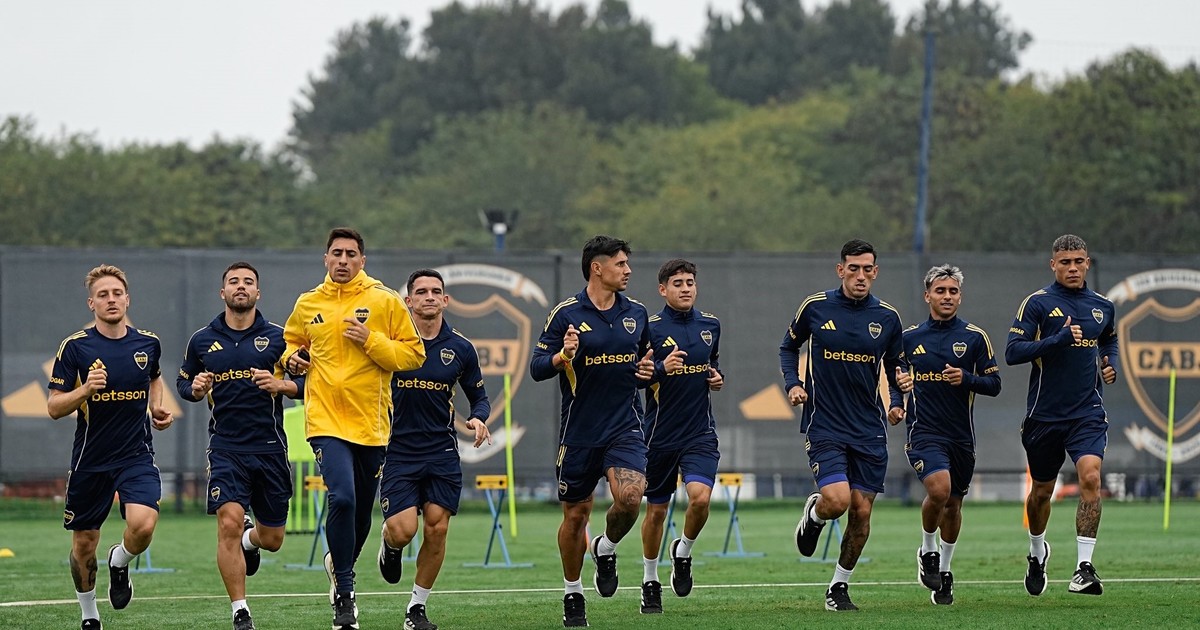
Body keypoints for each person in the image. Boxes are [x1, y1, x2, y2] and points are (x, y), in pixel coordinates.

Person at [283, 228, 426, 630]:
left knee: (362, 511)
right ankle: (345, 595)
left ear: (362, 260)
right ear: (325, 259)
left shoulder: (384, 300)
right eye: (336, 253)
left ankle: (338, 562)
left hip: (371, 423)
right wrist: (292, 359)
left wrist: (371, 340)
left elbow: (413, 354)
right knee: (342, 498)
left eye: (350, 254)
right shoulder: (308, 302)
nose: (343, 260)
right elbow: (290, 343)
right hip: (325, 420)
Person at [779, 238, 912, 612]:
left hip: (869, 428)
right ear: (841, 270)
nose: (860, 276)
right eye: (853, 268)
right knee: (837, 501)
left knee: (862, 512)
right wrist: (793, 384)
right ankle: (815, 515)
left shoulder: (887, 317)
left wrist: (897, 401)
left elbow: (897, 365)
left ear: (876, 272)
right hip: (825, 424)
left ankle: (838, 587)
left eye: (867, 269)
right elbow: (788, 347)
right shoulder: (815, 307)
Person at [530, 235, 654, 628]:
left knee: (631, 498)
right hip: (579, 434)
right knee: (575, 517)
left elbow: (646, 366)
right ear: (597, 268)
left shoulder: (637, 313)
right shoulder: (565, 314)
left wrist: (650, 371)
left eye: (627, 263)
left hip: (625, 428)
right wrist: (562, 355)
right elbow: (536, 367)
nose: (628, 270)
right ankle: (573, 592)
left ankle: (606, 547)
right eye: (620, 263)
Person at [177, 262, 304, 630]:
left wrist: (281, 384)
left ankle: (252, 541)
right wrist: (195, 388)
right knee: (228, 523)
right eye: (234, 282)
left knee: (273, 539)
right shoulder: (202, 340)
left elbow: (306, 383)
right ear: (223, 292)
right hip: (225, 448)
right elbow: (184, 383)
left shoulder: (279, 338)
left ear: (258, 293)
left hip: (270, 448)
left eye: (248, 282)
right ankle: (240, 610)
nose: (241, 287)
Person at [47, 264, 174, 630]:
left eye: (117, 293)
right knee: (84, 544)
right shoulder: (75, 347)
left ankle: (119, 561)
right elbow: (54, 407)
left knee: (143, 525)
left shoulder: (147, 343)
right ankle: (90, 615)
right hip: (91, 460)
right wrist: (86, 390)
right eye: (103, 295)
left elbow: (155, 378)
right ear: (92, 303)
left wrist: (156, 408)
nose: (111, 299)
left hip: (136, 455)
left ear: (127, 299)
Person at [377, 268, 492, 630]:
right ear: (408, 301)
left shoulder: (461, 348)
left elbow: (479, 396)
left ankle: (416, 608)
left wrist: (479, 418)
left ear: (445, 300)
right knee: (403, 530)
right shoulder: (389, 342)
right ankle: (389, 545)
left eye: (435, 291)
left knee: (437, 529)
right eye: (421, 291)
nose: (429, 296)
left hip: (441, 452)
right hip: (397, 450)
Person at [1005, 234, 1118, 597]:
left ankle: (1084, 568)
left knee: (1091, 477)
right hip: (1045, 416)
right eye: (1065, 262)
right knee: (1041, 493)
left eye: (1078, 261)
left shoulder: (1103, 305)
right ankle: (1037, 552)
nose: (1072, 268)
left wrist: (1110, 362)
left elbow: (1109, 338)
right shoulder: (1037, 303)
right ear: (1053, 264)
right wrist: (1058, 339)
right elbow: (1013, 352)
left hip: (1087, 412)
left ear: (1088, 263)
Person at [901, 264, 1001, 606]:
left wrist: (967, 379)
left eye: (953, 291)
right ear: (927, 295)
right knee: (939, 490)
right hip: (923, 432)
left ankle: (944, 570)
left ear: (960, 296)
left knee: (954, 505)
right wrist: (898, 393)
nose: (947, 296)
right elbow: (893, 375)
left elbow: (995, 384)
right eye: (940, 291)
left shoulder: (975, 337)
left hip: (961, 437)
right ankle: (927, 550)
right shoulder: (909, 338)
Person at [637, 259, 724, 614]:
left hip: (699, 433)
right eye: (677, 283)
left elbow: (712, 364)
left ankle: (683, 552)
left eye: (690, 282)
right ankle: (650, 580)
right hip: (659, 436)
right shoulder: (650, 328)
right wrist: (661, 368)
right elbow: (636, 377)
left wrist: (716, 377)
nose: (685, 288)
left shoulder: (710, 325)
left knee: (700, 500)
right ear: (663, 290)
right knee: (656, 512)